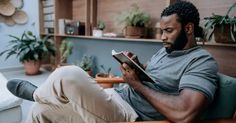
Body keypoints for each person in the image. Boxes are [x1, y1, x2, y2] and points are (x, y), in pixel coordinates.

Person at [7, 1, 218, 123]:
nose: (162, 37)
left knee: (68, 74)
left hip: (129, 113)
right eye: (162, 31)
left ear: (189, 29)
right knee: (38, 111)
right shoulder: (167, 50)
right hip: (116, 96)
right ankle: (42, 97)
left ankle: (36, 93)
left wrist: (136, 84)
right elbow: (156, 79)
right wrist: (138, 67)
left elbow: (184, 112)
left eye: (168, 31)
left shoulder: (201, 62)